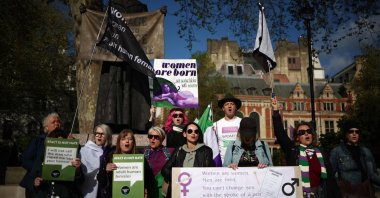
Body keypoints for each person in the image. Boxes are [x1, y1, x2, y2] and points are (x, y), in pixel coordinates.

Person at [271, 98, 340, 198]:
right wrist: (276, 112)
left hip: (320, 194)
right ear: (297, 138)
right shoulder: (293, 151)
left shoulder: (320, 152)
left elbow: (330, 180)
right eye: (302, 133)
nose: (306, 133)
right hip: (299, 194)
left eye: (308, 131)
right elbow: (280, 134)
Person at [162, 122, 215, 198]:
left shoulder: (207, 151)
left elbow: (209, 172)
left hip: (197, 191)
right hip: (179, 190)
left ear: (199, 134)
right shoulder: (178, 150)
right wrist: (177, 177)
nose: (193, 133)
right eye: (190, 131)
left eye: (196, 131)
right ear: (184, 134)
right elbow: (165, 169)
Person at [97, 129, 154, 198]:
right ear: (119, 142)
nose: (127, 141)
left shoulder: (140, 158)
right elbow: (101, 180)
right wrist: (105, 170)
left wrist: (146, 189)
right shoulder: (110, 157)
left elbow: (149, 178)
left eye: (130, 139)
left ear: (133, 142)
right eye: (123, 139)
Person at [330, 120, 380, 197]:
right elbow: (331, 176)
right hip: (347, 193)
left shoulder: (366, 151)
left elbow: (373, 175)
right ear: (346, 134)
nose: (354, 134)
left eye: (357, 132)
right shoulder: (337, 152)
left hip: (365, 192)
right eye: (351, 131)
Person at [31, 129, 84, 198]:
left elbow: (81, 181)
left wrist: (78, 169)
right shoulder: (42, 159)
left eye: (61, 142)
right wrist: (35, 182)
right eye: (55, 143)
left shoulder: (73, 160)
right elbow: (32, 178)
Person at [20, 112, 61, 198]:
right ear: (46, 127)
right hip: (38, 184)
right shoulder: (38, 141)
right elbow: (25, 160)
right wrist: (40, 170)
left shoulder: (65, 141)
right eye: (53, 122)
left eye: (58, 122)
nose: (57, 124)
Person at [204, 96, 242, 165]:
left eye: (232, 104)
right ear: (223, 109)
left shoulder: (242, 122)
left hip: (239, 161)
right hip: (223, 162)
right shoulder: (216, 125)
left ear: (236, 108)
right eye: (226, 104)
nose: (229, 106)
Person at [80, 124, 113, 198]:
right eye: (97, 133)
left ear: (107, 136)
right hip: (91, 189)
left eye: (102, 134)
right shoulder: (85, 150)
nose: (99, 136)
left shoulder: (111, 152)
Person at [143, 127, 175, 198]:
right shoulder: (142, 154)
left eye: (156, 137)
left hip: (164, 190)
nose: (152, 139)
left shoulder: (171, 152)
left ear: (162, 139)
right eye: (150, 136)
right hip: (148, 191)